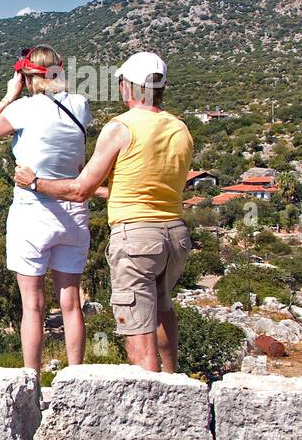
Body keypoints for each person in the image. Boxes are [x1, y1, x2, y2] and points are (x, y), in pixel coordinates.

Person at [13, 51, 193, 372]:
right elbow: (135, 186)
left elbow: (80, 189)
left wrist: (36, 182)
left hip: (137, 238)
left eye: (121, 82)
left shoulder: (121, 128)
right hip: (175, 235)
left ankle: (151, 405)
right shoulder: (180, 129)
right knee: (163, 310)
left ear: (129, 87)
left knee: (139, 330)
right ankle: (174, 381)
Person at [0, 45, 91, 370]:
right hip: (74, 213)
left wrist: (9, 95)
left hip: (33, 213)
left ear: (26, 77)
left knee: (34, 306)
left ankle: (32, 384)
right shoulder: (80, 105)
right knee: (70, 304)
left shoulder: (24, 108)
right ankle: (77, 380)